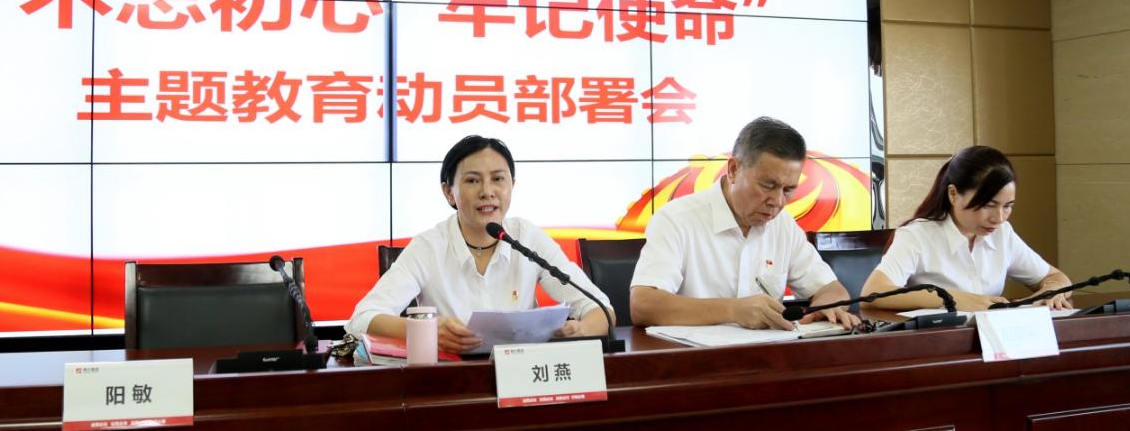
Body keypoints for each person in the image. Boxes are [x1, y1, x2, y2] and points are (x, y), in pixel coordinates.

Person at [346, 135, 613, 353]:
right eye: (472, 180)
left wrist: (582, 330)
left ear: (512, 185)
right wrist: (428, 330)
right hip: (452, 382)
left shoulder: (528, 237)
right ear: (449, 192)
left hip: (524, 379)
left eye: (498, 179)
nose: (487, 191)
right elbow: (361, 319)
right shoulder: (429, 246)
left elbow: (601, 308)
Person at [630, 117, 859, 330]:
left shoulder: (783, 226)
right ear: (733, 170)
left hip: (767, 355)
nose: (777, 201)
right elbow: (643, 305)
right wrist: (733, 310)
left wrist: (826, 307)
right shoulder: (676, 219)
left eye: (788, 190)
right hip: (692, 356)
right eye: (767, 186)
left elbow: (833, 289)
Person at [860, 145, 1072, 311]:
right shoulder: (917, 236)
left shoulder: (1003, 234)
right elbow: (873, 293)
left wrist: (1052, 290)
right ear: (953, 194)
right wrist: (952, 299)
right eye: (988, 205)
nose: (999, 218)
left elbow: (1055, 277)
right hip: (938, 343)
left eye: (1007, 206)